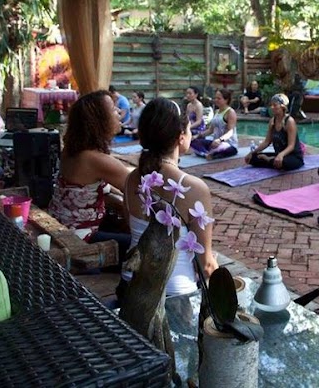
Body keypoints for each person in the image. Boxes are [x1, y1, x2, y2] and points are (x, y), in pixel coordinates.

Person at [121, 98, 219, 297]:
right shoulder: (194, 188)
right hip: (174, 297)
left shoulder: (132, 179)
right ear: (181, 137)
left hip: (129, 286)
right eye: (189, 129)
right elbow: (207, 266)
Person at [48, 90, 131, 244]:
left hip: (60, 225)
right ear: (99, 121)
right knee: (138, 245)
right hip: (79, 237)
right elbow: (139, 190)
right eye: (113, 109)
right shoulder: (96, 160)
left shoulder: (71, 151)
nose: (119, 111)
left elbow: (94, 188)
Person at [244, 93, 304, 171]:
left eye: (275, 105)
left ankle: (269, 159)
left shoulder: (289, 121)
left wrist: (281, 155)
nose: (272, 107)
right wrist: (252, 152)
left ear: (282, 107)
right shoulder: (272, 121)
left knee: (283, 163)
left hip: (293, 157)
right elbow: (267, 142)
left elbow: (291, 146)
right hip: (278, 155)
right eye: (271, 105)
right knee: (252, 158)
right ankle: (271, 160)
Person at [189, 88, 238, 160]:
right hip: (214, 142)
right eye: (215, 98)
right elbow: (210, 130)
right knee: (193, 142)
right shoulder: (217, 111)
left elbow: (230, 132)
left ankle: (208, 153)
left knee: (222, 147)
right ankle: (207, 154)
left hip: (228, 144)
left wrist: (220, 140)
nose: (216, 100)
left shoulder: (230, 112)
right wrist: (197, 136)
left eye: (219, 98)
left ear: (226, 100)